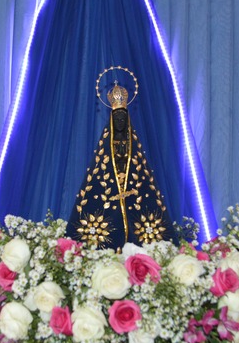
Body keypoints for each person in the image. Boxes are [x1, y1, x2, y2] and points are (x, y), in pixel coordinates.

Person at [65, 72, 176, 251]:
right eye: (117, 118)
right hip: (111, 191)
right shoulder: (105, 146)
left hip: (131, 191)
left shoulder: (134, 145)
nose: (120, 121)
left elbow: (140, 173)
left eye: (123, 118)